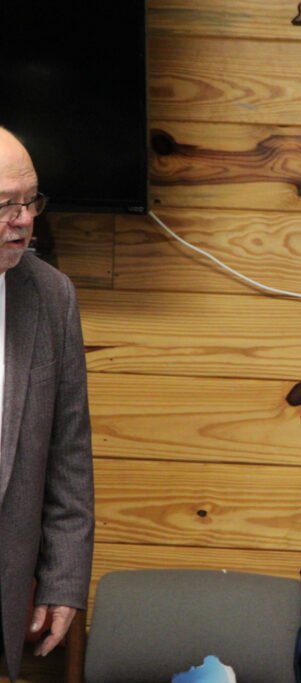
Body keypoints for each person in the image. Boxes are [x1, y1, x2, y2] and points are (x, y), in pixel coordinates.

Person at [0, 127, 94, 679]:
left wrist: (63, 580)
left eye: (29, 200)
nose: (25, 219)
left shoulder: (52, 296)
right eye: (5, 204)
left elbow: (68, 455)